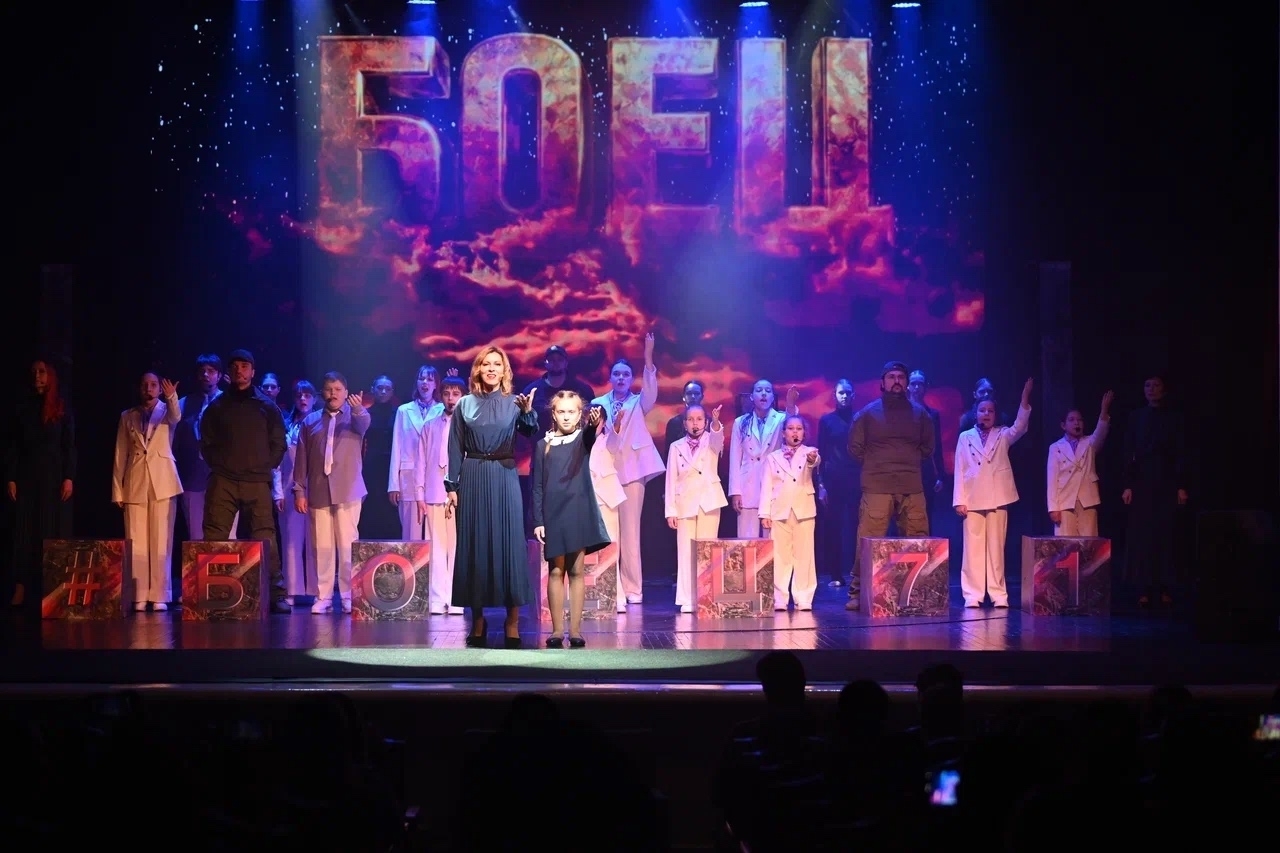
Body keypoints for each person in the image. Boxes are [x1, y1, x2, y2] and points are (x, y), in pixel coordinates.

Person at [446, 346, 539, 648]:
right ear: (478, 369)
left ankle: (512, 621)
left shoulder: (514, 403)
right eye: (486, 364)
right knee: (474, 545)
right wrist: (451, 486)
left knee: (509, 544)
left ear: (504, 371)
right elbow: (455, 446)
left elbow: (530, 431)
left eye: (497, 364)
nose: (491, 369)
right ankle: (478, 620)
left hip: (504, 474)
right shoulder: (464, 404)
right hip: (473, 475)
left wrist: (527, 412)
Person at [198, 349, 290, 614]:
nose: (239, 370)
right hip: (224, 481)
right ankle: (211, 591)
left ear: (252, 371)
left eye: (245, 366)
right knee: (214, 536)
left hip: (256, 481)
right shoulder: (217, 407)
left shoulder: (267, 406)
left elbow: (279, 443)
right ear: (229, 372)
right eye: (235, 366)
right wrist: (220, 466)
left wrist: (265, 467)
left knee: (266, 537)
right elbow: (206, 442)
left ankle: (276, 594)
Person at [845, 361, 935, 610]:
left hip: (911, 485)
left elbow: (928, 448)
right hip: (877, 485)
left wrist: (905, 462)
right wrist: (879, 464)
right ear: (882, 383)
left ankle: (916, 593)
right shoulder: (867, 414)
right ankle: (858, 592)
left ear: (906, 383)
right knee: (868, 541)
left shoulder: (921, 415)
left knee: (916, 540)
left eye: (901, 377)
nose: (897, 381)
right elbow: (854, 449)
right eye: (892, 377)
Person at [532, 391, 611, 648]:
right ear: (554, 415)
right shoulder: (543, 446)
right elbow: (537, 486)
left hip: (577, 512)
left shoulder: (581, 440)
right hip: (553, 514)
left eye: (571, 412)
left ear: (579, 415)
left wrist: (592, 424)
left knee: (576, 570)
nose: (566, 417)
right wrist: (538, 520)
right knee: (556, 570)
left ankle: (575, 630)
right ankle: (556, 630)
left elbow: (589, 435)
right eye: (561, 412)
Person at [589, 333, 664, 605]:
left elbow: (651, 391)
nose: (621, 378)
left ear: (631, 379)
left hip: (632, 473)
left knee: (631, 532)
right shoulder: (598, 404)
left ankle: (633, 589)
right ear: (610, 378)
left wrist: (648, 356)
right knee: (608, 532)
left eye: (626, 374)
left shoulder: (638, 403)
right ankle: (610, 586)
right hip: (605, 474)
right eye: (617, 374)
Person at [293, 372, 370, 614]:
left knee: (347, 546)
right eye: (328, 389)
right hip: (318, 490)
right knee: (322, 547)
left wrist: (357, 409)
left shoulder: (354, 417)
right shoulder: (310, 421)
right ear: (322, 393)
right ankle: (324, 596)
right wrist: (299, 490)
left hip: (348, 489)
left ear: (346, 392)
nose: (333, 394)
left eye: (337, 389)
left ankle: (347, 595)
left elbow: (364, 424)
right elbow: (301, 460)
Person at [953, 378, 1033, 608]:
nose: (986, 414)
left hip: (998, 497)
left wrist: (1024, 399)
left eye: (990, 411)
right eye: (982, 410)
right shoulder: (965, 437)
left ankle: (998, 594)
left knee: (996, 549)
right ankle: (973, 594)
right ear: (975, 413)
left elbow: (1020, 426)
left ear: (995, 414)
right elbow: (960, 468)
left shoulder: (1003, 434)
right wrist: (959, 500)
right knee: (973, 550)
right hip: (972, 498)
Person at [6, 359, 76, 608]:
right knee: (24, 531)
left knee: (50, 529)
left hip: (53, 478)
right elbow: (14, 445)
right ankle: (21, 586)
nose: (37, 376)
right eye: (34, 372)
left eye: (42, 372)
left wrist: (69, 477)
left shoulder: (61, 407)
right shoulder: (23, 407)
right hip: (27, 477)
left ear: (51, 376)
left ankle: (50, 588)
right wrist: (11, 477)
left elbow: (69, 445)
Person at [111, 372, 182, 612]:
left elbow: (176, 416)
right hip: (135, 480)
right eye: (145, 385)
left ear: (160, 389)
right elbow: (120, 454)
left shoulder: (166, 410)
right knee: (136, 540)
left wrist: (172, 397)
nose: (149, 389)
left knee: (162, 540)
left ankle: (160, 593)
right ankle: (138, 593)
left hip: (163, 481)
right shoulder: (127, 415)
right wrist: (117, 490)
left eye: (153, 385)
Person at [1121, 375, 1188, 606]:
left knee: (1165, 535)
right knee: (1143, 536)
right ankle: (1143, 588)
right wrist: (1128, 484)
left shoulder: (1175, 418)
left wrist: (1181, 485)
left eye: (1156, 385)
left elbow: (1180, 453)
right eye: (1147, 385)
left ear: (1164, 390)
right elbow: (1128, 451)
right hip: (1142, 482)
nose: (1151, 389)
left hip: (1166, 481)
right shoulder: (1136, 417)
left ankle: (1165, 587)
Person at [664, 404, 726, 613]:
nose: (695, 423)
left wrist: (716, 423)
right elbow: (671, 479)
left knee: (707, 550)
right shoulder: (676, 447)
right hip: (685, 502)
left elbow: (718, 438)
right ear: (684, 423)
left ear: (705, 422)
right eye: (691, 419)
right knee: (686, 551)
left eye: (699, 419)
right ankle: (687, 598)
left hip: (709, 500)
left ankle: (706, 597)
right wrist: (670, 511)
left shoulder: (711, 440)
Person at [172, 354, 238, 544]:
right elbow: (174, 442)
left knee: (227, 536)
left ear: (220, 375)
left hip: (224, 477)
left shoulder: (230, 401)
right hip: (192, 478)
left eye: (211, 371)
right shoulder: (183, 404)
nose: (206, 375)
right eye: (202, 371)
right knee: (196, 538)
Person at [758, 415, 821, 611]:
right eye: (791, 428)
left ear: (804, 432)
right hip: (780, 510)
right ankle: (780, 598)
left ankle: (804, 597)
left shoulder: (810, 452)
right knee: (780, 555)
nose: (795, 432)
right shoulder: (773, 457)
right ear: (784, 432)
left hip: (803, 510)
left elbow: (814, 462)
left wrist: (812, 460)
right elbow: (766, 486)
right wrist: (764, 513)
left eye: (799, 429)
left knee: (804, 555)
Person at [415, 375, 466, 615]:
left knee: (457, 547)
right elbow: (421, 461)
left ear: (463, 397)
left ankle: (456, 597)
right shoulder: (430, 425)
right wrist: (419, 494)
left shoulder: (468, 426)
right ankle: (437, 597)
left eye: (455, 394)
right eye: (446, 394)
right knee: (436, 547)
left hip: (460, 493)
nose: (450, 399)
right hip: (434, 491)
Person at [729, 380, 800, 538]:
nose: (763, 394)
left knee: (772, 540)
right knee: (747, 541)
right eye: (759, 390)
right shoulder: (741, 423)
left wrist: (790, 404)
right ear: (751, 396)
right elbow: (735, 458)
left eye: (768, 391)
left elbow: (792, 421)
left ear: (773, 397)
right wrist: (735, 491)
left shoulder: (780, 419)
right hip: (748, 486)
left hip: (774, 485)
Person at [1047, 390, 1114, 536]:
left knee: (1089, 542)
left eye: (1079, 420)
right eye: (1071, 420)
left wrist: (1104, 411)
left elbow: (1101, 432)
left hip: (1087, 499)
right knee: (1065, 543)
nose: (1076, 423)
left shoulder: (1090, 443)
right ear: (1063, 425)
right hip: (1065, 501)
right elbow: (1052, 479)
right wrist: (1053, 508)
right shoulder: (1056, 447)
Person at [388, 366, 441, 541]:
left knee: (435, 536)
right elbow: (396, 447)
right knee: (411, 537)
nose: (425, 383)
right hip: (408, 478)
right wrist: (393, 485)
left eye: (430, 379)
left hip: (435, 479)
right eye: (421, 379)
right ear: (416, 383)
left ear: (436, 384)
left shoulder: (442, 410)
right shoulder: (404, 411)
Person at [817, 379, 859, 587]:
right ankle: (835, 574)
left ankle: (858, 572)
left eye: (847, 393)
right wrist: (821, 485)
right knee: (834, 527)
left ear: (853, 395)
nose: (844, 396)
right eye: (841, 393)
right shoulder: (827, 421)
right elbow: (821, 453)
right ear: (835, 395)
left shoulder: (860, 419)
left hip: (857, 480)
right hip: (833, 481)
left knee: (857, 527)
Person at [279, 380, 317, 604]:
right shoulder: (287, 426)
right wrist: (277, 492)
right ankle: (292, 590)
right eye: (299, 395)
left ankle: (316, 591)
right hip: (289, 488)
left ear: (314, 399)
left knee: (315, 540)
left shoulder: (320, 423)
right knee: (291, 540)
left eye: (307, 395)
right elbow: (277, 463)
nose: (303, 399)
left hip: (316, 488)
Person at [359, 374, 400, 539]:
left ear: (392, 392)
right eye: (380, 388)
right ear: (372, 390)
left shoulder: (399, 413)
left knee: (391, 512)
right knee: (371, 509)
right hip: (371, 467)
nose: (383, 392)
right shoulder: (366, 414)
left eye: (387, 389)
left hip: (392, 466)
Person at [664, 380, 705, 451]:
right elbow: (669, 452)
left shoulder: (709, 423)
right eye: (689, 393)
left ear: (702, 397)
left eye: (696, 393)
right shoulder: (674, 423)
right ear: (684, 397)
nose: (693, 396)